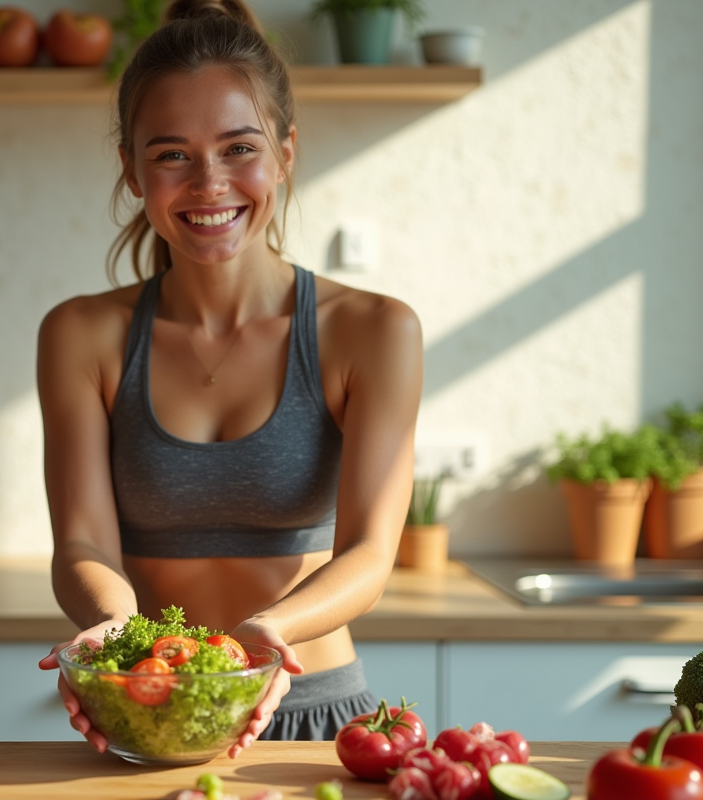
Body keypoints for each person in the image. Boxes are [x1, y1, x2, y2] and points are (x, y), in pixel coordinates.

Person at [35, 0, 423, 758]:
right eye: (172, 154)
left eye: (238, 147)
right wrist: (111, 631)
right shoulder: (80, 335)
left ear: (285, 153)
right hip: (148, 706)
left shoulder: (372, 331)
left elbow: (371, 554)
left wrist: (265, 634)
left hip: (316, 715)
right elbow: (81, 541)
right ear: (133, 169)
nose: (209, 184)